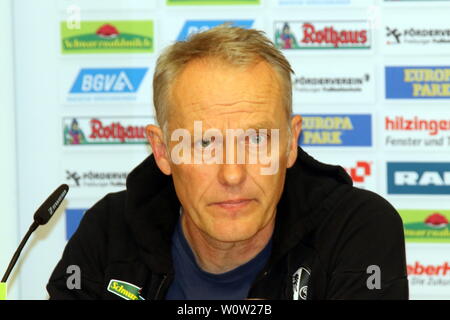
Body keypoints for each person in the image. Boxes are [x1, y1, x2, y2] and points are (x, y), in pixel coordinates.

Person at [47, 25, 408, 300]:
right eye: (204, 143)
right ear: (162, 152)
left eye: (256, 140)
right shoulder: (108, 232)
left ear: (290, 143)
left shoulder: (356, 229)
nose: (233, 173)